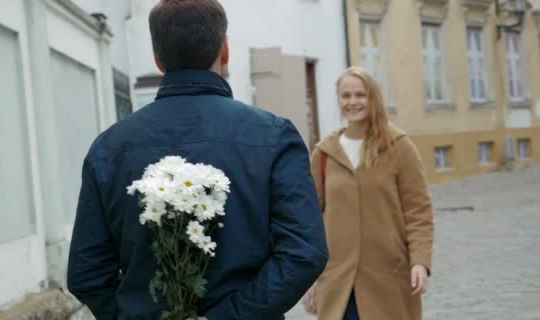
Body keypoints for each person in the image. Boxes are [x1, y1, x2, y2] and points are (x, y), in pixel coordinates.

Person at [66, 1, 328, 319]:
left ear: (158, 58)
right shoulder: (273, 136)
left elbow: (86, 274)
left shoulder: (108, 148)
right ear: (225, 49)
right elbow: (304, 251)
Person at [302, 66, 434, 320]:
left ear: (373, 97)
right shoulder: (324, 153)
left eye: (360, 95)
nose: (353, 102)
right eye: (346, 96)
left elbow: (418, 211)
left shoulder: (398, 146)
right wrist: (309, 277)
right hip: (338, 279)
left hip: (388, 278)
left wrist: (419, 261)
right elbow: (310, 219)